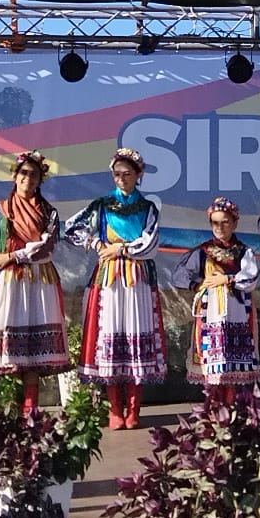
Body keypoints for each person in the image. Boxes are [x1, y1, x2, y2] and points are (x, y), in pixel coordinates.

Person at [0, 150, 72, 414]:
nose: (28, 179)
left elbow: (46, 246)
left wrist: (11, 256)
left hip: (39, 280)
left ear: (40, 180)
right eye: (24, 173)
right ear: (14, 176)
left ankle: (30, 409)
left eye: (34, 175)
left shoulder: (48, 212)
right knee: (10, 349)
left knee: (35, 348)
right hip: (10, 281)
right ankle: (13, 408)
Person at [65, 148, 167, 429]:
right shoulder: (102, 205)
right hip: (109, 278)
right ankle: (114, 407)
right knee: (111, 332)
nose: (121, 179)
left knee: (136, 332)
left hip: (137, 279)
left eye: (127, 174)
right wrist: (96, 243)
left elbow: (150, 243)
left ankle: (133, 408)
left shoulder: (148, 208)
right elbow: (71, 228)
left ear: (138, 175)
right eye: (117, 174)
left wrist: (120, 249)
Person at [170, 198, 260, 405]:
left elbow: (250, 277)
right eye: (215, 223)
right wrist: (197, 285)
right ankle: (214, 404)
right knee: (211, 357)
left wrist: (228, 279)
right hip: (210, 311)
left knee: (234, 357)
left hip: (237, 310)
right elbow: (179, 274)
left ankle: (233, 404)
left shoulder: (244, 251)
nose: (220, 227)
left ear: (235, 223)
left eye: (225, 222)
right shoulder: (203, 251)